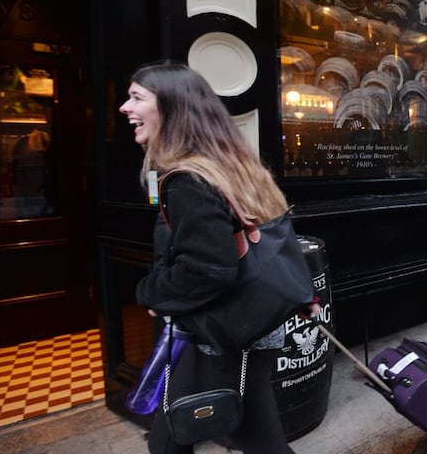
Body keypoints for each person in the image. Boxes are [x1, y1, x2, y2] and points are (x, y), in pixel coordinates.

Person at [121, 62, 308, 454]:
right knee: (185, 436)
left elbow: (208, 270)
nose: (125, 107)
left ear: (172, 108)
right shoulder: (232, 164)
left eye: (137, 98)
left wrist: (150, 293)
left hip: (221, 335)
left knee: (240, 438)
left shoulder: (188, 179)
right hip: (249, 325)